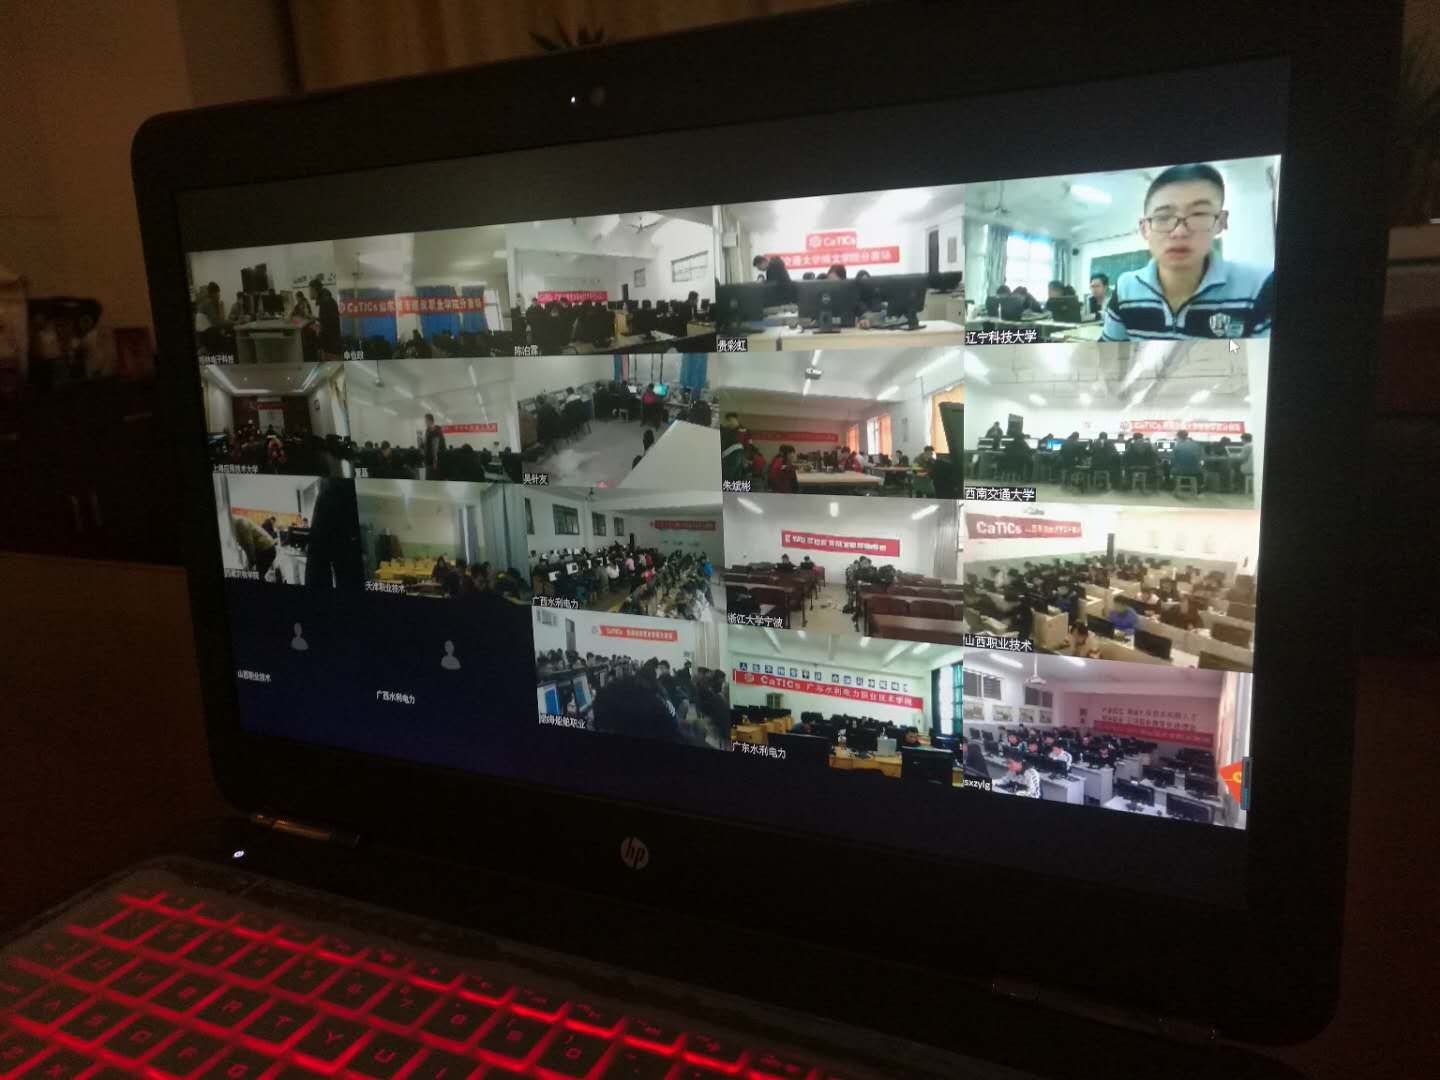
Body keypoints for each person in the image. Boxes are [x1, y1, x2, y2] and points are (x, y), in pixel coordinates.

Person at [1103, 163, 1273, 341]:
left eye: (1198, 214)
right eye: (1163, 217)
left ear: (1221, 222)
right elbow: (1110, 355)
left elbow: (1257, 358)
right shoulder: (1126, 289)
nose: (1179, 232)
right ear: (1144, 229)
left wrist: (1230, 349)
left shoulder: (1260, 287)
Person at [232, 515, 277, 580]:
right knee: (257, 575)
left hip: (266, 549)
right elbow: (246, 545)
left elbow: (249, 545)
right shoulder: (237, 523)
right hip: (264, 548)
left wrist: (251, 562)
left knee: (257, 575)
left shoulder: (240, 523)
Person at [309, 277, 342, 361]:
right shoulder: (326, 299)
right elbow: (327, 319)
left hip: (331, 344)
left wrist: (317, 328)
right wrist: (317, 319)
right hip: (334, 339)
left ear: (314, 290)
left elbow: (328, 325)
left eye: (310, 290)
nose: (309, 293)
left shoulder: (324, 302)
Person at [720, 412, 748, 483]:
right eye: (728, 421)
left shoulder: (743, 430)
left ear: (735, 419)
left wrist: (745, 458)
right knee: (734, 476)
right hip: (733, 455)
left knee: (731, 476)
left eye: (730, 420)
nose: (729, 423)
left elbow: (747, 445)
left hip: (736, 454)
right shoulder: (728, 430)